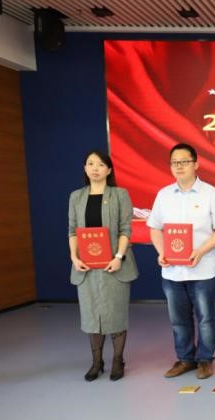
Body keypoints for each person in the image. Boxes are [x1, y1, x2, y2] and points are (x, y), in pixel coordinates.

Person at [147, 143, 215, 380]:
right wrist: (161, 252)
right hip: (172, 270)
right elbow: (154, 228)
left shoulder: (211, 194)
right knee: (178, 319)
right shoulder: (164, 195)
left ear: (196, 164)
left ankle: (205, 359)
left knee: (205, 317)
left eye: (184, 161)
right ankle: (185, 359)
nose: (179, 166)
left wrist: (201, 251)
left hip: (202, 268)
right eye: (175, 162)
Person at [68, 150, 138, 381]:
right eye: (90, 164)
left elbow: (126, 229)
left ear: (109, 170)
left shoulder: (119, 194)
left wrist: (118, 256)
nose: (95, 168)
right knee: (91, 316)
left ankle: (118, 360)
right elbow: (72, 230)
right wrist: (74, 257)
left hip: (114, 264)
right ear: (85, 169)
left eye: (100, 164)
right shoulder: (76, 197)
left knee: (115, 314)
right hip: (86, 267)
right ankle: (96, 362)